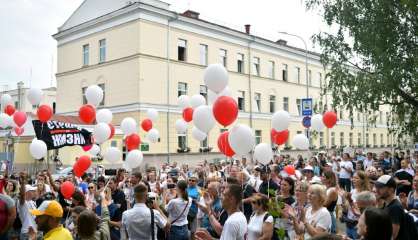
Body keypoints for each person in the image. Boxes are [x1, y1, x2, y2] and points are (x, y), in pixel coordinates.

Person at [375, 174, 410, 239]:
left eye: (380, 187)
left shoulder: (395, 207)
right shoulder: (386, 204)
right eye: (376, 187)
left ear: (391, 189)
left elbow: (392, 236)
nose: (376, 190)